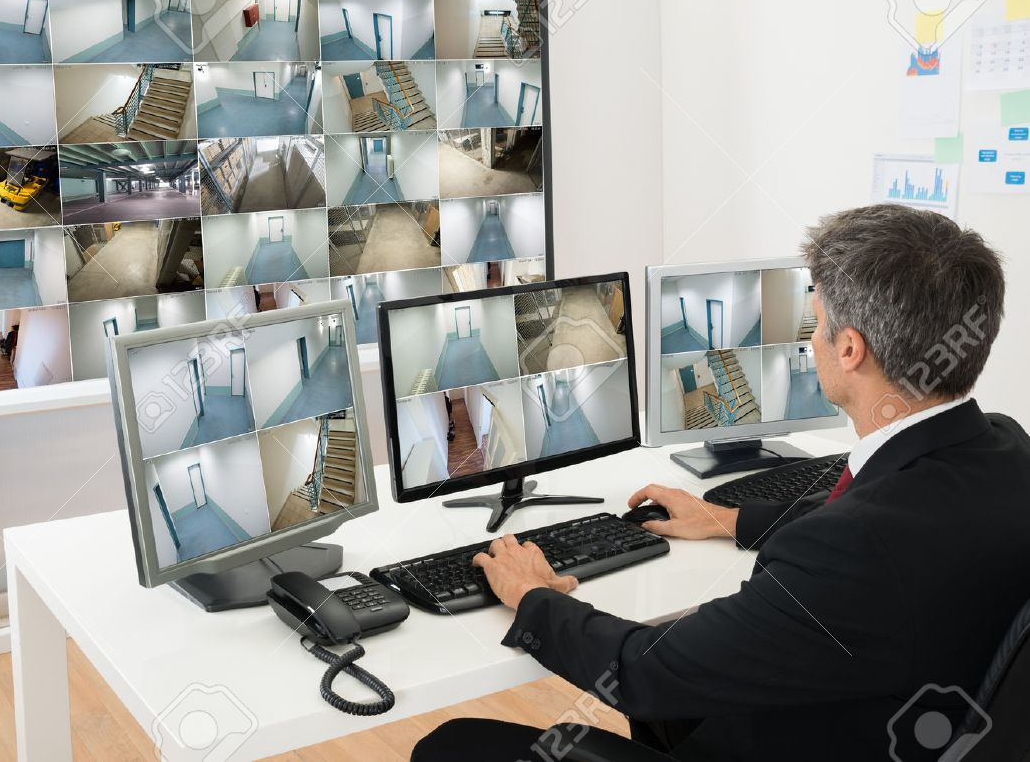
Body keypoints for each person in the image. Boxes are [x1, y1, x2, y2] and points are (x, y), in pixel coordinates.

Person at [413, 204, 1030, 761]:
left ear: (849, 349)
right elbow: (879, 517)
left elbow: (642, 673)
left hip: (802, 732)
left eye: (817, 324)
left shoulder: (854, 550)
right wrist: (728, 518)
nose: (811, 340)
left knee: (453, 745)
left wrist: (535, 598)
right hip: (891, 721)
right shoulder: (1005, 448)